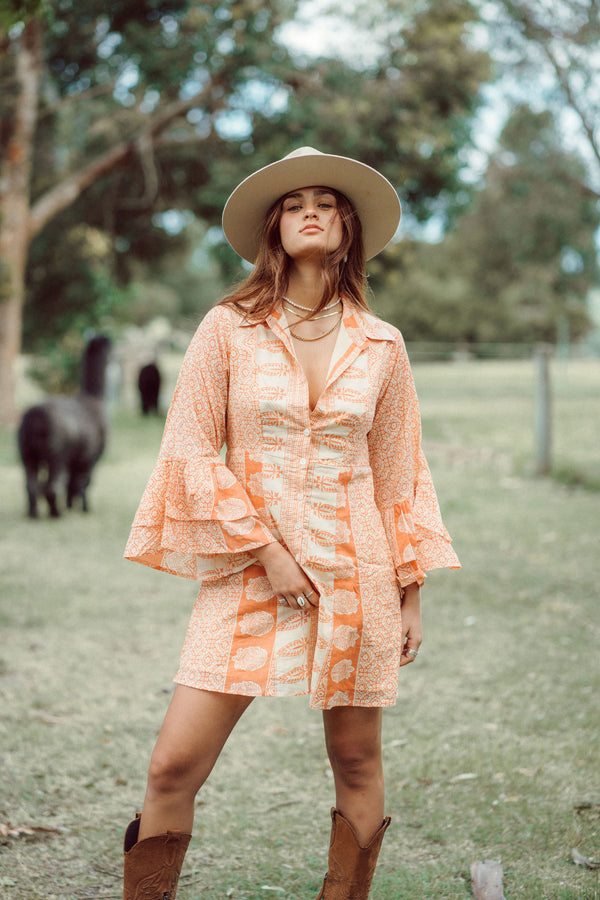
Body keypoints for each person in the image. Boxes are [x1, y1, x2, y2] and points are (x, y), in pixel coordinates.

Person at [122, 146, 460, 900]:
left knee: (358, 762)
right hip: (250, 572)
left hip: (356, 575)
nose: (312, 210)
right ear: (275, 227)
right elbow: (188, 447)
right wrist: (265, 549)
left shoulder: (384, 346)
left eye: (328, 202)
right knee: (172, 765)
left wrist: (411, 591)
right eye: (295, 202)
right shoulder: (227, 330)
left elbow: (402, 472)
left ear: (347, 230)